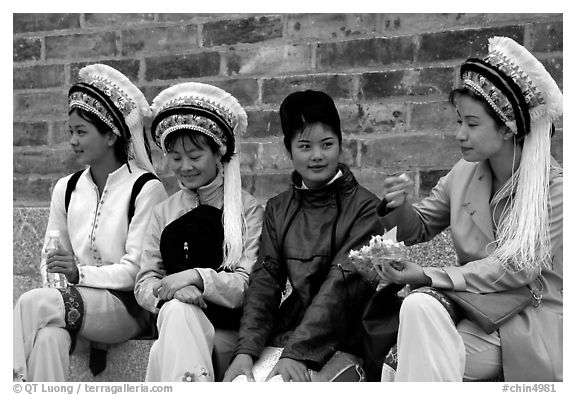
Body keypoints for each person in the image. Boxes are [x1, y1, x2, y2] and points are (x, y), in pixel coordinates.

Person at [376, 36, 562, 381]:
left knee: (419, 357)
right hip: (474, 307)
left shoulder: (557, 190)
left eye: (472, 124)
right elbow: (418, 226)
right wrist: (398, 206)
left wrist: (427, 275)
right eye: (459, 121)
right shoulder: (464, 173)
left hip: (529, 320)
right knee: (417, 309)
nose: (460, 134)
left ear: (507, 128)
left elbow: (517, 269)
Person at [13, 64, 168, 382]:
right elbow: (49, 259)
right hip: (71, 302)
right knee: (47, 339)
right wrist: (60, 277)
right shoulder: (66, 189)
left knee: (32, 303)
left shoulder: (145, 188)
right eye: (71, 131)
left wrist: (78, 273)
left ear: (111, 134)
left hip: (126, 309)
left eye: (81, 131)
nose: (72, 140)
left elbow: (136, 271)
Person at [223, 90, 384, 382]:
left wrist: (297, 353)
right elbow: (265, 282)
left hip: (346, 342)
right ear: (289, 150)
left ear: (340, 144)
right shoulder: (278, 209)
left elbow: (341, 287)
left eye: (327, 144)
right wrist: (245, 350)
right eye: (305, 146)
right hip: (289, 337)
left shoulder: (367, 209)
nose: (317, 156)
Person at [134, 82, 264, 382]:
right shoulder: (163, 212)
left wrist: (196, 277)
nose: (185, 166)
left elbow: (248, 285)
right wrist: (175, 292)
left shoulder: (246, 210)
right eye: (176, 158)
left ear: (218, 154)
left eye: (195, 156)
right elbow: (145, 283)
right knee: (179, 311)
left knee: (166, 343)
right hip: (174, 322)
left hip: (225, 332)